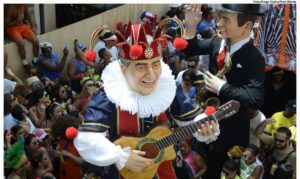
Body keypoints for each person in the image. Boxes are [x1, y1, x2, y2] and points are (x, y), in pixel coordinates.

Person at [71, 22, 218, 179]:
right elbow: (87, 137)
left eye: (155, 65)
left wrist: (205, 124)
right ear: (123, 69)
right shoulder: (109, 95)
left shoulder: (168, 88)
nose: (151, 75)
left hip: (165, 171)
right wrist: (120, 156)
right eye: (140, 67)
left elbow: (191, 117)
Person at [182, 4, 265, 179]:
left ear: (247, 27)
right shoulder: (217, 42)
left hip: (232, 133)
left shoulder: (254, 57)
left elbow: (255, 98)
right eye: (219, 17)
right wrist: (190, 25)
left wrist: (222, 87)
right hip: (206, 122)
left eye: (225, 19)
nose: (218, 23)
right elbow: (190, 48)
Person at [4, 4, 39, 71]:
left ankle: (35, 61)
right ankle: (25, 63)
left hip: (22, 26)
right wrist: (17, 21)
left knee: (36, 41)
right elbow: (5, 25)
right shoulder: (10, 8)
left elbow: (28, 14)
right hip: (12, 28)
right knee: (21, 43)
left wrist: (33, 26)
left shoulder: (24, 5)